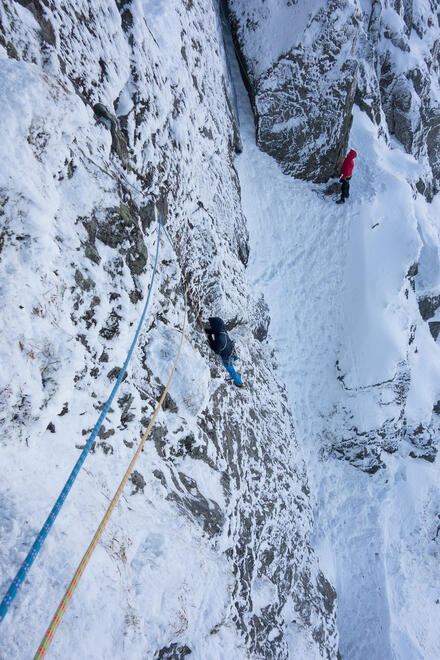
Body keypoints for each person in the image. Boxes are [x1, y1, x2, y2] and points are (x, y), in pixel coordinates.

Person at [204, 317, 245, 388]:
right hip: (231, 350)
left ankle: (240, 383)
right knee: (231, 365)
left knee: (231, 370)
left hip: (227, 358)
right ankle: (235, 361)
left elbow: (216, 351)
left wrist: (210, 339)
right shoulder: (222, 330)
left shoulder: (220, 339)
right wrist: (206, 330)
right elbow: (214, 331)